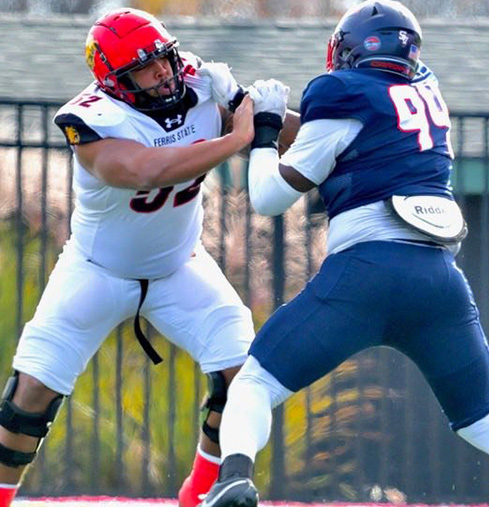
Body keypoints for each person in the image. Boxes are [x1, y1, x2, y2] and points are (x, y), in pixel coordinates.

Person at [198, 2, 489, 507]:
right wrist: (245, 102)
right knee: (485, 419)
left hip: (365, 274)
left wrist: (259, 133)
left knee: (254, 381)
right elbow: (335, 138)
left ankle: (233, 479)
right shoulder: (423, 94)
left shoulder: (341, 93)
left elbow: (270, 196)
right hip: (438, 281)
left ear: (348, 51)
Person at [4, 8, 282, 507]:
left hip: (180, 266)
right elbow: (143, 171)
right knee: (28, 400)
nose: (163, 73)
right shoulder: (90, 119)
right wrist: (237, 137)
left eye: (164, 58)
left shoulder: (199, 84)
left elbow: (295, 138)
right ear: (114, 82)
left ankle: (200, 495)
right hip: (95, 271)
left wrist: (249, 106)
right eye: (144, 68)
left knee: (242, 374)